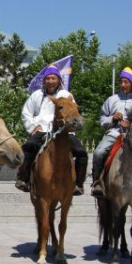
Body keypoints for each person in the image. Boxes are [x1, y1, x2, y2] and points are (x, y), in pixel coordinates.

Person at [15, 65, 88, 195]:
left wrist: (70, 127)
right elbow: (26, 113)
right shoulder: (36, 95)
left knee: (81, 152)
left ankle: (78, 184)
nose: (50, 81)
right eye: (48, 78)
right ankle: (23, 179)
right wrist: (33, 127)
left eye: (53, 78)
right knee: (29, 146)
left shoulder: (66, 95)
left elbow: (74, 113)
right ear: (44, 81)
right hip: (42, 130)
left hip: (63, 132)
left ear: (59, 80)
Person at [90, 67, 132, 198]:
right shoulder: (111, 100)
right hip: (114, 134)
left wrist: (130, 125)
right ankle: (97, 182)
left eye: (126, 82)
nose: (123, 85)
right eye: (121, 82)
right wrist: (112, 119)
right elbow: (102, 119)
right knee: (98, 152)